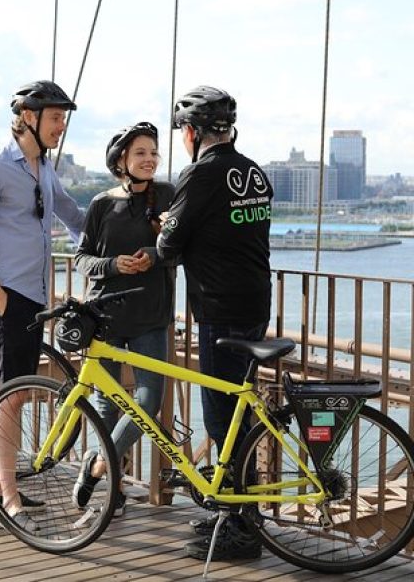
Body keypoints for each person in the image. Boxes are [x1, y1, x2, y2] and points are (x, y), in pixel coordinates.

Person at [0, 80, 85, 531]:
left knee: (15, 393)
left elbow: (73, 216)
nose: (60, 126)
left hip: (32, 296)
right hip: (8, 295)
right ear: (28, 117)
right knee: (10, 398)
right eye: (54, 118)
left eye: (63, 118)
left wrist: (121, 242)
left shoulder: (43, 167)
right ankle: (8, 499)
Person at [156, 85, 273, 561]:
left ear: (190, 133)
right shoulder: (254, 172)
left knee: (222, 417)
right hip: (255, 303)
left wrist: (166, 224)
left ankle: (242, 528)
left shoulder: (201, 174)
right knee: (237, 413)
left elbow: (168, 246)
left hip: (219, 309)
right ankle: (233, 511)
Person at [71, 122, 175, 518]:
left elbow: (181, 249)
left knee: (147, 401)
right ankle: (113, 486)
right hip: (107, 316)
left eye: (153, 153)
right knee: (107, 404)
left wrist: (155, 254)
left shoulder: (168, 196)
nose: (149, 160)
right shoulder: (101, 204)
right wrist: (114, 264)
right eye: (140, 154)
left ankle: (98, 466)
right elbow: (82, 259)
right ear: (121, 161)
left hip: (151, 316)